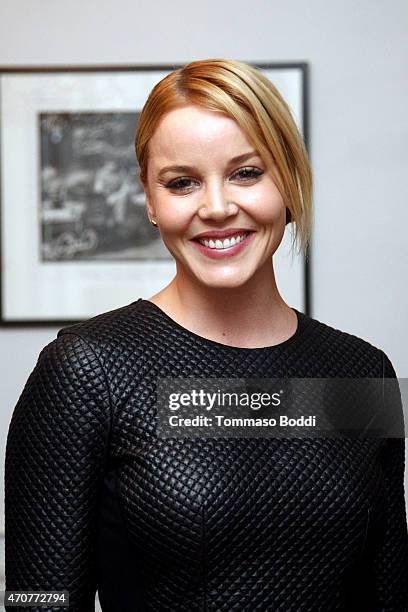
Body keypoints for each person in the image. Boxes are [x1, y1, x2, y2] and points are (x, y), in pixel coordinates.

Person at [5, 58, 407, 611]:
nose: (216, 208)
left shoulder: (362, 372)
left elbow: (389, 595)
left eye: (247, 172)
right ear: (150, 200)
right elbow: (38, 602)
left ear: (288, 182)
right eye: (182, 182)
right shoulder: (87, 370)